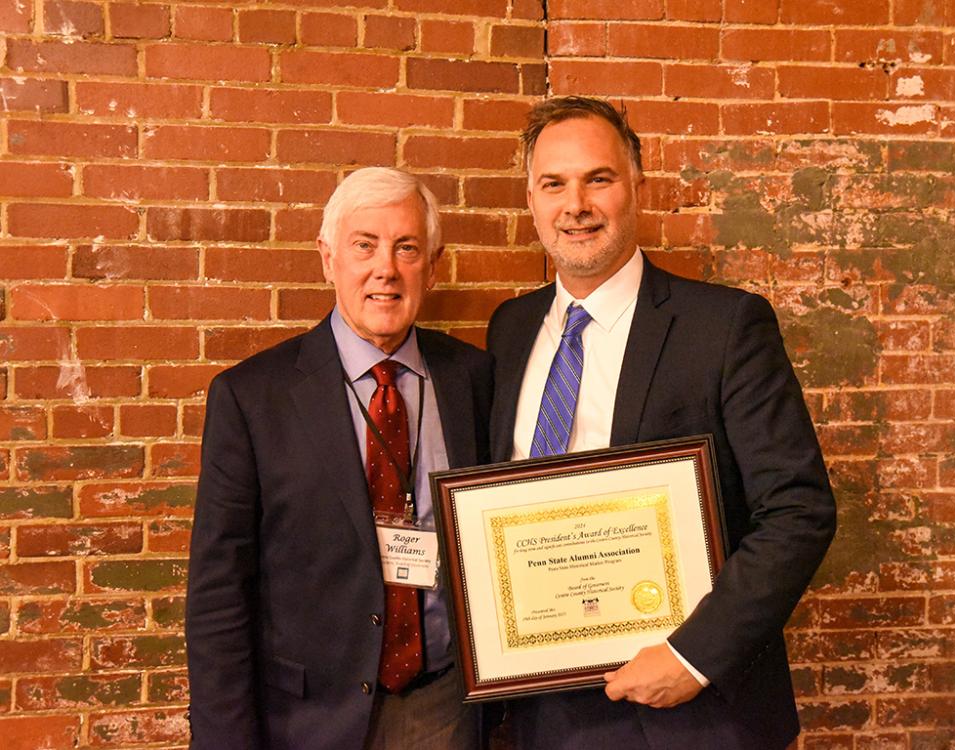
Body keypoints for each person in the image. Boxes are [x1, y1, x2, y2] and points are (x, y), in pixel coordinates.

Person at [486, 96, 836, 749]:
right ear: (531, 199)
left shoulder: (726, 327)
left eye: (599, 178)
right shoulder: (509, 330)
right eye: (553, 183)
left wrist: (692, 656)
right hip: (548, 713)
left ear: (637, 188)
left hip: (694, 716)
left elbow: (798, 509)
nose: (576, 204)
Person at [186, 167, 493, 750]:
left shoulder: (474, 379)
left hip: (446, 712)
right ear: (328, 257)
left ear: (434, 261)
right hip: (308, 720)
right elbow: (219, 592)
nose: (386, 268)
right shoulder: (252, 397)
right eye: (364, 246)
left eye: (407, 247)